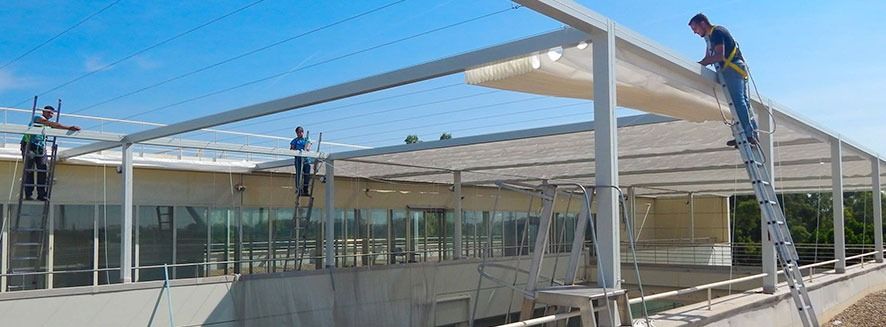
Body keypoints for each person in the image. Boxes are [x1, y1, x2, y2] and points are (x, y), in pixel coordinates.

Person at [689, 13, 758, 146]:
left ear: (703, 23)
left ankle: (748, 135)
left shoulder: (717, 33)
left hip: (732, 69)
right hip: (737, 68)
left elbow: (719, 56)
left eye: (695, 28)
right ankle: (751, 134)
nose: (695, 32)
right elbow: (708, 57)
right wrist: (700, 63)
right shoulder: (711, 38)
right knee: (743, 103)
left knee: (738, 102)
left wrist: (700, 64)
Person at [21, 105, 80, 201]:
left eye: (52, 113)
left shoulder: (47, 125)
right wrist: (69, 127)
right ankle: (28, 194)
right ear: (43, 112)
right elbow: (52, 124)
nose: (50, 115)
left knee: (43, 169)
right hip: (29, 144)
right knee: (29, 169)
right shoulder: (38, 118)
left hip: (40, 146)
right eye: (49, 112)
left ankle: (41, 195)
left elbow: (54, 127)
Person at [290, 126, 313, 195]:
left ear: (303, 132)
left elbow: (308, 147)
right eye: (297, 133)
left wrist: (306, 149)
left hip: (306, 159)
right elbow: (291, 149)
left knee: (307, 174)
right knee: (299, 174)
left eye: (300, 132)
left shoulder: (307, 139)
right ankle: (298, 188)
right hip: (298, 160)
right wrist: (296, 151)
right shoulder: (295, 141)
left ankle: (305, 189)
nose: (299, 134)